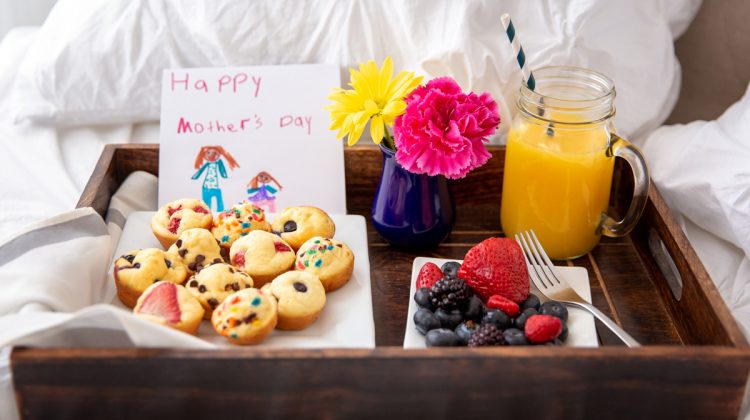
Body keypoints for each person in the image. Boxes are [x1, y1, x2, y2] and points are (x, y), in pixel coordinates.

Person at [191, 146, 239, 212]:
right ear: (205, 155)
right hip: (206, 186)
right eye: (208, 153)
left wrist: (224, 175)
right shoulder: (207, 164)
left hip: (216, 187)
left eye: (215, 153)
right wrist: (195, 176)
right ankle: (206, 213)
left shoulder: (219, 163)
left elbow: (222, 170)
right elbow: (200, 171)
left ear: (219, 155)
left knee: (219, 201)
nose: (211, 155)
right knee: (206, 202)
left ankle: (220, 212)